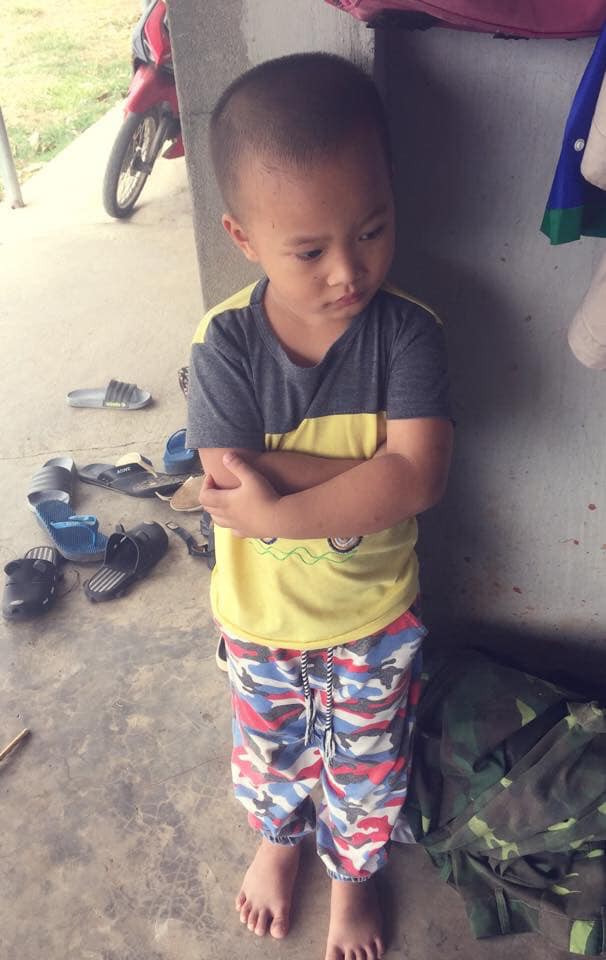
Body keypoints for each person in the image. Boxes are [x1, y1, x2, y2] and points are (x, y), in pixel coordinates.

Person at [187, 52, 453, 960]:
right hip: (260, 621)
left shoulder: (409, 333)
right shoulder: (224, 342)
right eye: (310, 251)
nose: (349, 270)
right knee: (270, 750)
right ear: (243, 237)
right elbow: (228, 476)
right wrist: (362, 475)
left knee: (368, 763)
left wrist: (274, 511)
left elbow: (417, 479)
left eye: (372, 229)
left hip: (372, 617)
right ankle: (278, 839)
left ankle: (352, 874)